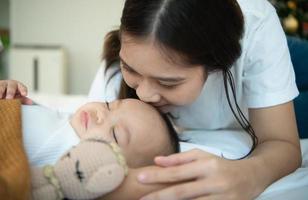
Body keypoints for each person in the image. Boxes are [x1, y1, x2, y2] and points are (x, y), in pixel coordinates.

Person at [2, 0, 302, 199]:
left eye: (168, 82)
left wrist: (249, 174)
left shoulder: (256, 27)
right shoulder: (137, 44)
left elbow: (282, 143)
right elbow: (78, 146)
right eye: (130, 69)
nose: (143, 94)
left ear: (217, 67)